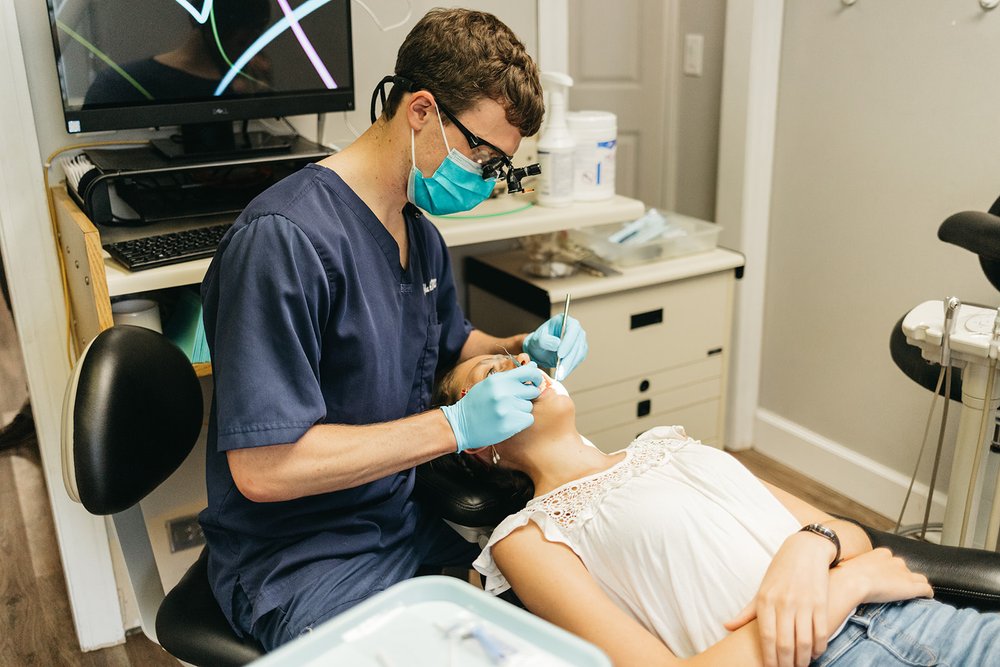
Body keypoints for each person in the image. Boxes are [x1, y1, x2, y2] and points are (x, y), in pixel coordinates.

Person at [199, 8, 589, 652]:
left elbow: (447, 347)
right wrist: (454, 427)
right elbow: (265, 470)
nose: (486, 179)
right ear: (422, 111)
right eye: (482, 155)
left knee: (548, 624)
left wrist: (521, 346)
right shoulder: (284, 242)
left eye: (499, 165)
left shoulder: (418, 234)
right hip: (300, 558)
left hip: (399, 521)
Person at [431, 352, 1000, 667]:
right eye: (491, 374)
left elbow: (847, 535)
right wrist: (847, 586)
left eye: (514, 356)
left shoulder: (669, 443)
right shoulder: (527, 537)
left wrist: (809, 547)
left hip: (921, 620)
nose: (520, 362)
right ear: (479, 443)